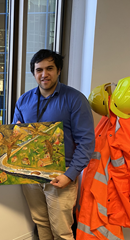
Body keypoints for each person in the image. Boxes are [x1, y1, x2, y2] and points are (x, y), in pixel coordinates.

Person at [12, 49, 95, 240]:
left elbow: (87, 141)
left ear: (59, 70)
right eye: (39, 69)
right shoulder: (24, 100)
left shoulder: (75, 99)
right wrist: (14, 133)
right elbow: (17, 137)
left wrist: (70, 175)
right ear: (34, 73)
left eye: (49, 68)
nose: (44, 74)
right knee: (41, 223)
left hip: (60, 174)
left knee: (62, 231)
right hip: (30, 173)